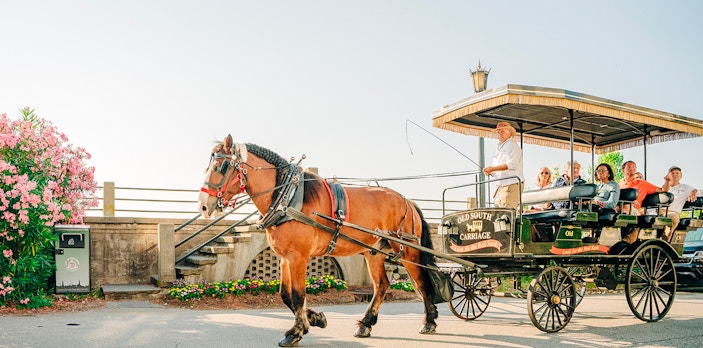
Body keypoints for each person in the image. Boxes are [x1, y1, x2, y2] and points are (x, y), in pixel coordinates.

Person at [483, 122, 524, 210]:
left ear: (509, 133)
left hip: (511, 184)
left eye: (503, 131)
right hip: (503, 186)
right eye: (498, 132)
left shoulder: (512, 145)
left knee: (507, 214)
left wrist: (493, 168)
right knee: (503, 214)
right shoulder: (500, 148)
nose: (500, 134)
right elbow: (501, 171)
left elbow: (512, 165)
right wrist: (492, 172)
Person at [662, 166, 697, 241]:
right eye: (672, 173)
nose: (675, 175)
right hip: (657, 211)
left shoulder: (686, 188)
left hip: (672, 213)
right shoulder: (664, 187)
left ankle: (666, 239)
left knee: (674, 218)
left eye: (677, 173)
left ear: (681, 175)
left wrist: (694, 191)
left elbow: (700, 192)